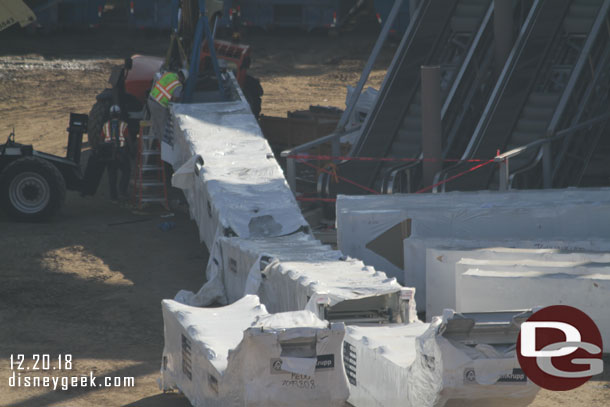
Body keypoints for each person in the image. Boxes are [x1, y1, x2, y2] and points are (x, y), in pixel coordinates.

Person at [100, 105, 131, 202]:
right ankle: (122, 190)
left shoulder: (105, 125)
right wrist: (132, 150)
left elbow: (101, 139)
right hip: (121, 152)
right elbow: (128, 139)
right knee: (127, 171)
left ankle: (114, 197)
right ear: (119, 114)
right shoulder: (124, 125)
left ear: (110, 114)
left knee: (112, 175)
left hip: (109, 153)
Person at [147, 68, 188, 141]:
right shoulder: (178, 85)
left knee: (156, 125)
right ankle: (164, 148)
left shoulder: (168, 74)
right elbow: (175, 99)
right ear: (183, 79)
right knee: (163, 129)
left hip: (151, 99)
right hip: (160, 105)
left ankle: (159, 144)